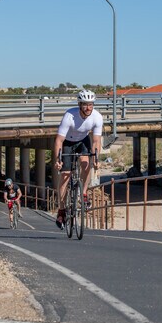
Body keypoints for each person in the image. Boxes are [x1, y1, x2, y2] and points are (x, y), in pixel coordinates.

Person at [53, 89, 103, 229]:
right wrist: (58, 160)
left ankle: (84, 192)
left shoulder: (97, 117)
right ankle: (61, 209)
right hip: (67, 142)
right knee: (65, 175)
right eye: (86, 105)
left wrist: (97, 158)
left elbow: (96, 141)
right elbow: (59, 141)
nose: (88, 108)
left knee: (87, 164)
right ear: (79, 104)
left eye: (91, 105)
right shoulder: (70, 116)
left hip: (83, 140)